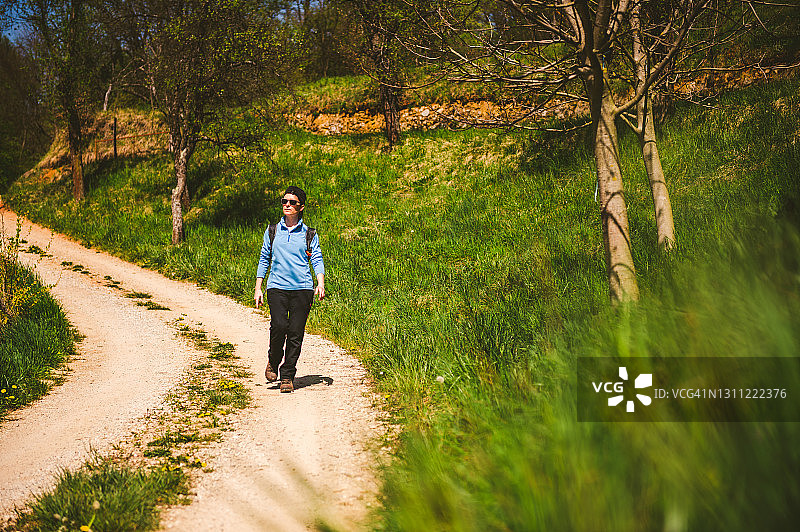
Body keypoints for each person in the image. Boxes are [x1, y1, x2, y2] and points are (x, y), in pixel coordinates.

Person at [254, 186, 325, 393]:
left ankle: (287, 376)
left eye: (292, 202)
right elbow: (264, 259)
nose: (287, 205)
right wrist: (258, 288)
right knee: (278, 326)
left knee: (295, 333)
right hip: (276, 287)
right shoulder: (272, 231)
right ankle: (273, 359)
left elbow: (317, 259)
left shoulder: (309, 234)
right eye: (284, 201)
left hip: (302, 288)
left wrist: (320, 283)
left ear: (301, 207)